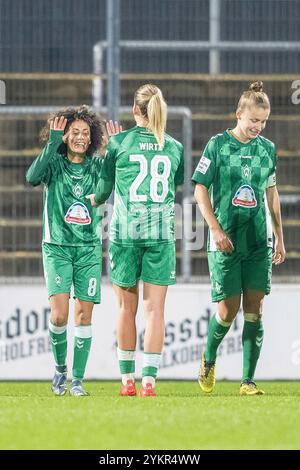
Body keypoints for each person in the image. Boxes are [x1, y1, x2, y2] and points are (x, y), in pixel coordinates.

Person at [87, 84, 184, 397]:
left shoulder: (119, 142)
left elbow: (102, 192)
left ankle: (127, 380)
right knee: (155, 310)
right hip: (160, 234)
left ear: (134, 111)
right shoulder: (174, 146)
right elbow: (176, 184)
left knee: (125, 309)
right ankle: (150, 382)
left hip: (126, 234)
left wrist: (107, 156)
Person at [192, 81, 285, 396]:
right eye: (253, 120)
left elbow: (271, 194)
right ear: (238, 114)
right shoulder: (218, 145)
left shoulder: (267, 149)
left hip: (258, 242)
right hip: (226, 241)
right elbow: (199, 188)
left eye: (263, 121)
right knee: (227, 311)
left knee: (255, 309)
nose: (258, 126)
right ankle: (208, 357)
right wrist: (215, 229)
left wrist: (279, 238)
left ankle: (248, 381)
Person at [26, 106, 120, 396]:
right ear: (65, 136)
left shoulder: (95, 165)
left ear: (92, 137)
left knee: (83, 315)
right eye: (74, 132)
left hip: (88, 249)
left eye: (85, 133)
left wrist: (113, 151)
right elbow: (31, 177)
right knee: (59, 316)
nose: (80, 137)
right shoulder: (53, 164)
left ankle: (77, 380)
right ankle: (60, 370)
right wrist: (51, 143)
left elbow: (111, 182)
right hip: (57, 247)